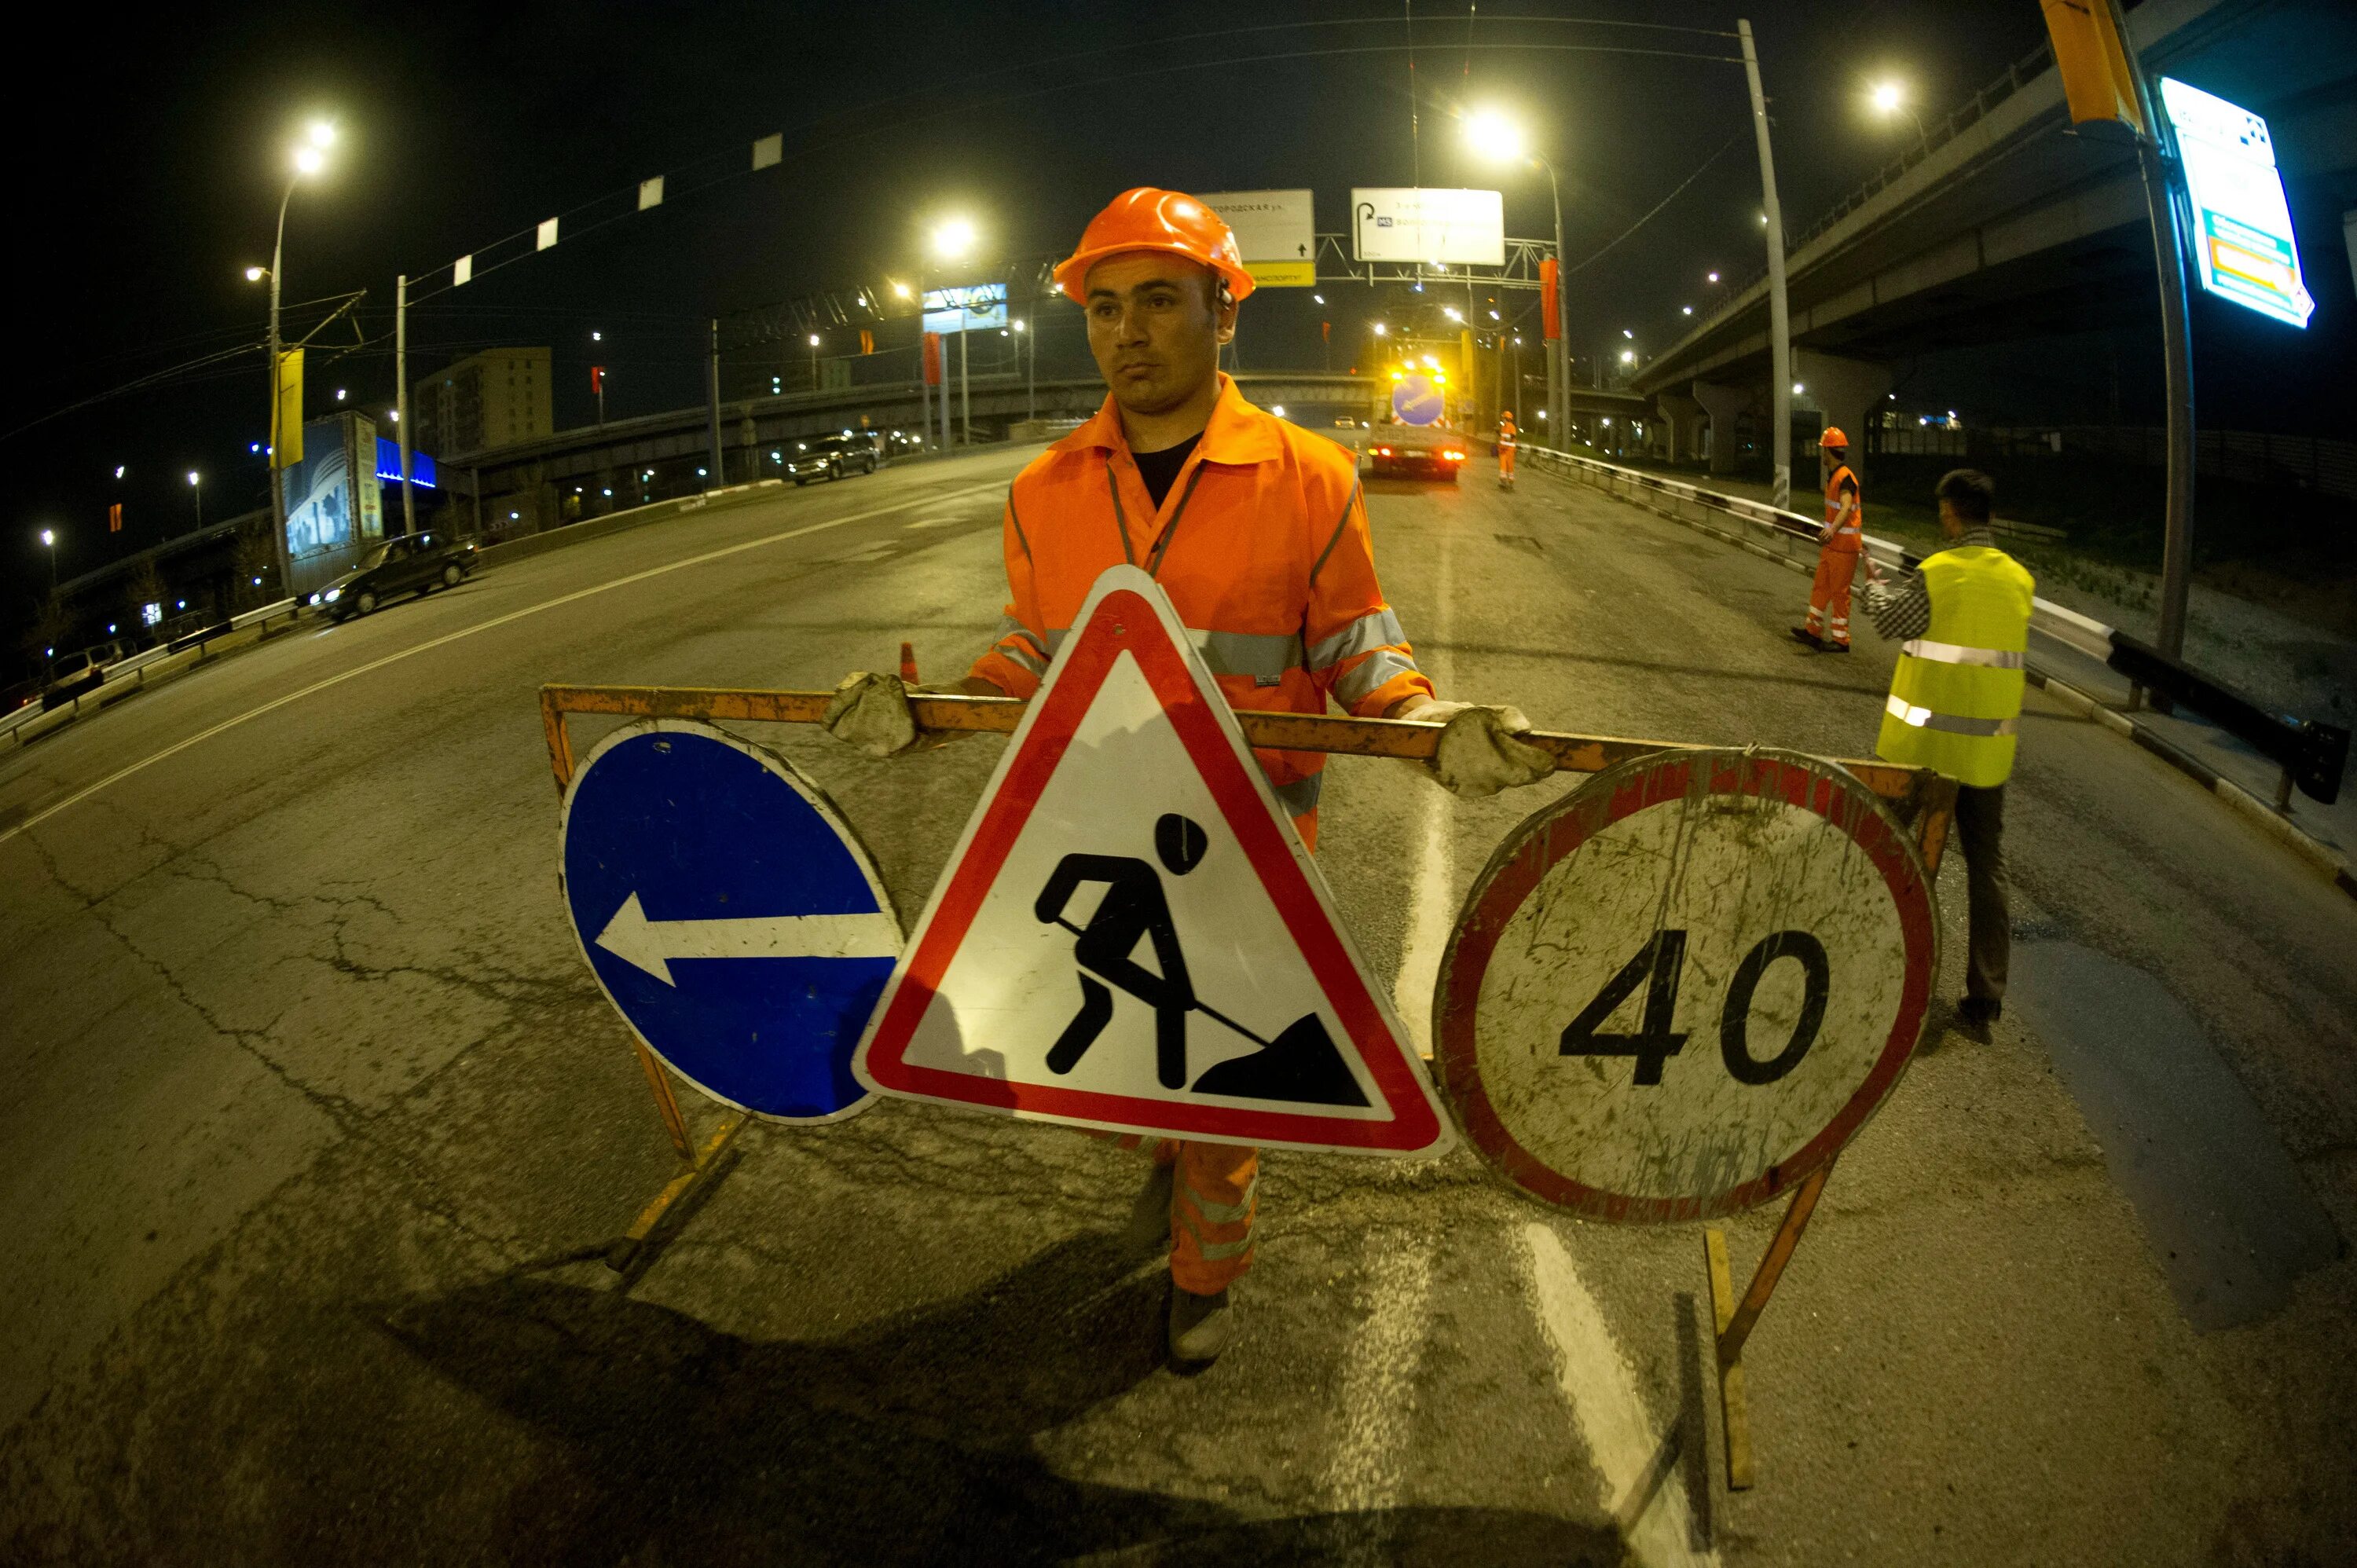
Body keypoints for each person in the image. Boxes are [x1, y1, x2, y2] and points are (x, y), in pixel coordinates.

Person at [823, 187, 1554, 1364]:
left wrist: (1426, 720)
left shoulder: (1308, 473)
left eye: (1159, 300)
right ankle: (1160, 1158)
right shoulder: (1043, 490)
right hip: (1099, 836)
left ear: (1224, 315)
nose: (1126, 330)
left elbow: (1353, 637)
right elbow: (1034, 650)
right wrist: (926, 712)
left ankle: (1207, 1266)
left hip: (1256, 845)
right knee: (1127, 1038)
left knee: (1226, 1066)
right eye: (1104, 307)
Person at [1862, 467, 2033, 1041]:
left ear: (1952, 514)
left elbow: (1888, 621)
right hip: (1986, 757)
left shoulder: (1938, 573)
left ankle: (1887, 972)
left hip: (1927, 751)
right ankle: (1985, 998)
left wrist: (1873, 585)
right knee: (1988, 868)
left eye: (1942, 512)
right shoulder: (2019, 581)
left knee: (1905, 857)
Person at [1792, 426, 1863, 652]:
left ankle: (1842, 641)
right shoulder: (1834, 477)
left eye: (1823, 450)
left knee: (1839, 594)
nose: (1821, 454)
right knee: (1821, 586)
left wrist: (1831, 530)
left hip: (1844, 547)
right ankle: (1812, 631)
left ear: (1829, 452)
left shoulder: (1845, 479)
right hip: (1833, 545)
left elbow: (1845, 507)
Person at [1497, 408, 1517, 490]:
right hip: (1504, 450)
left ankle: (1507, 482)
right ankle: (1507, 482)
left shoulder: (1510, 426)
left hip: (1508, 450)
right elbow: (1503, 436)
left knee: (1507, 467)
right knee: (1506, 467)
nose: (1503, 419)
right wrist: (1498, 433)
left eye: (1503, 418)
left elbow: (1512, 436)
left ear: (1506, 418)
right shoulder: (1504, 427)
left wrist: (1506, 438)